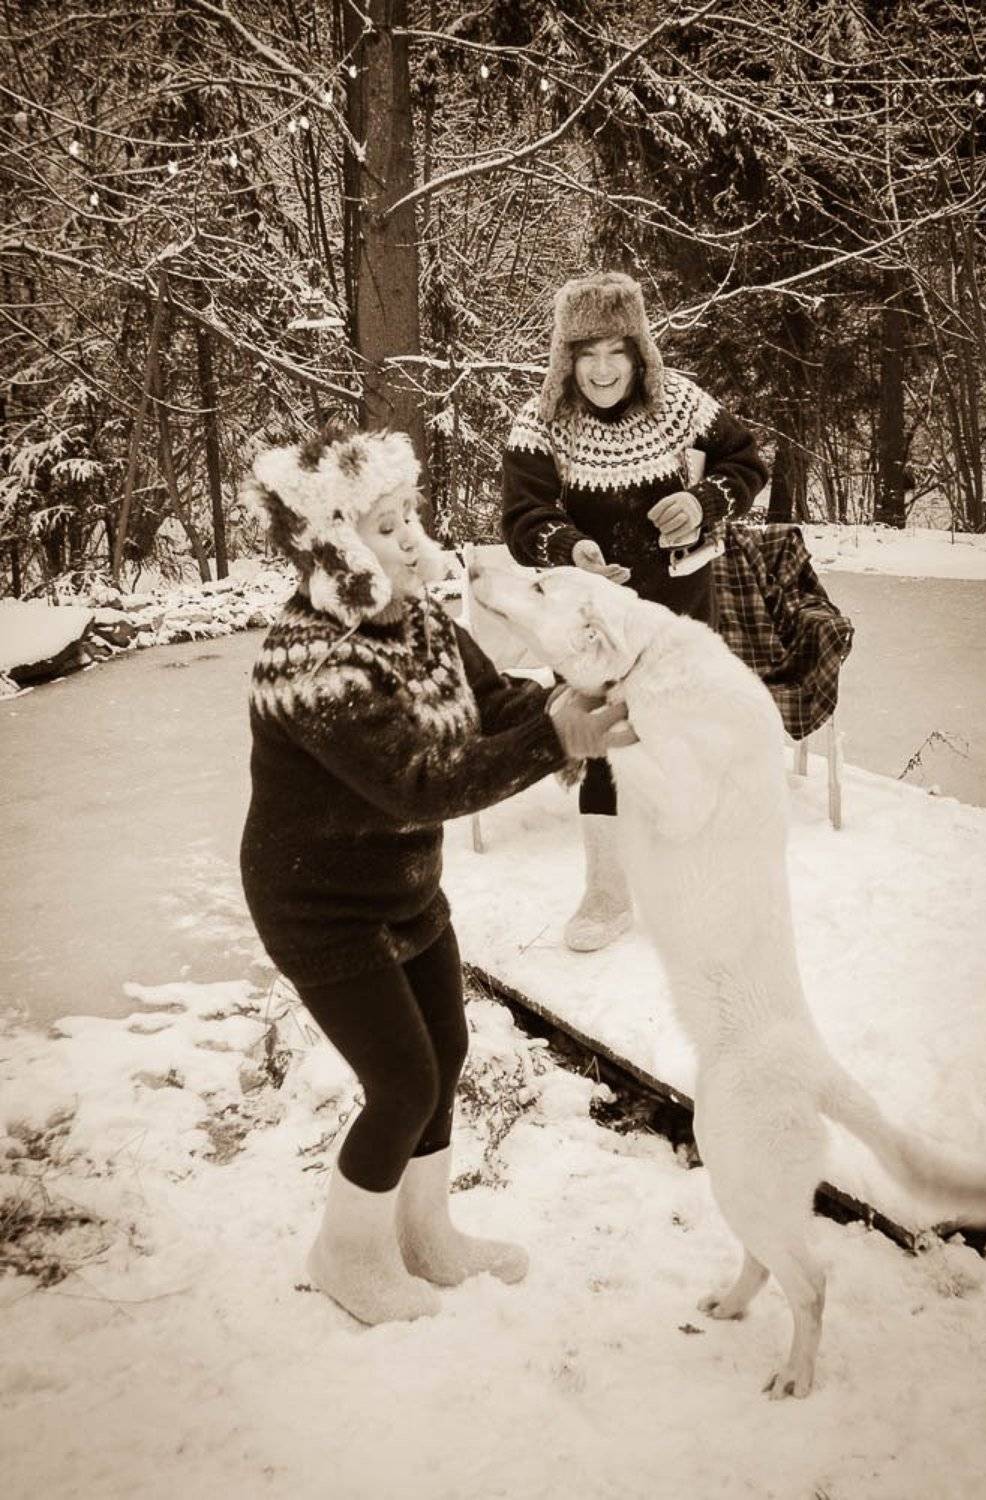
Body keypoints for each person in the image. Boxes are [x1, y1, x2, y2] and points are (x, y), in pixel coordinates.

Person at [240, 420, 630, 1327]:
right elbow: (422, 783)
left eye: (410, 514)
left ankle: (425, 1236)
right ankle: (347, 1256)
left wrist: (575, 699)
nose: (413, 539)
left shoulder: (423, 623)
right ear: (333, 551)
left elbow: (494, 706)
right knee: (403, 1085)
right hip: (318, 907)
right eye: (385, 526)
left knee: (445, 1056)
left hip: (403, 886)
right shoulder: (311, 663)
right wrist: (556, 740)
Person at [502, 271, 768, 952]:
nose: (601, 369)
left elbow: (745, 462)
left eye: (615, 352)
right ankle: (607, 891)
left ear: (639, 352)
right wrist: (570, 546)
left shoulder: (681, 403)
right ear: (565, 358)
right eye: (585, 354)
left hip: (678, 612)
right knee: (605, 746)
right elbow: (523, 516)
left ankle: (703, 884)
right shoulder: (540, 421)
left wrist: (705, 502)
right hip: (593, 631)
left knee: (689, 743)